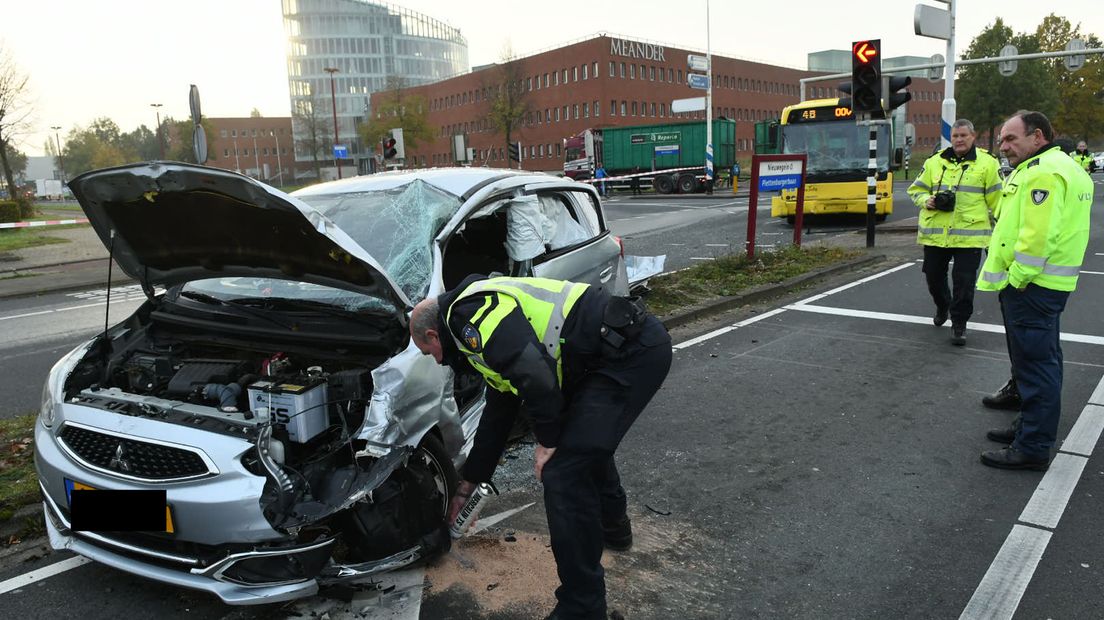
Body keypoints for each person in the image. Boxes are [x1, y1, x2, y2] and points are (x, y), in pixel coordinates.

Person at [409, 275, 673, 619]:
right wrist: (470, 481)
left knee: (563, 472)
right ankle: (615, 529)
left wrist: (547, 442)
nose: (435, 360)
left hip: (629, 354)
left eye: (429, 353)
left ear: (432, 335)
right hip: (609, 353)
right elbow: (499, 409)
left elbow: (533, 372)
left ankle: (582, 607)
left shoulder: (468, 316)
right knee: (583, 446)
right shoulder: (472, 327)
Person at [976, 110, 1093, 471]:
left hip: (1032, 287)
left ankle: (1032, 446)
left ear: (1038, 136)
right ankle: (1028, 428)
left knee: (1035, 367)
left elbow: (1037, 235)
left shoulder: (1043, 173)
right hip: (1048, 286)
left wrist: (1018, 278)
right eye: (1001, 141)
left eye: (1011, 138)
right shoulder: (1063, 166)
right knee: (1043, 362)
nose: (1004, 146)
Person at [907, 119, 1002, 346]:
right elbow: (916, 189)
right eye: (955, 136)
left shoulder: (988, 163)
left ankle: (959, 323)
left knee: (964, 283)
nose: (959, 140)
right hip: (936, 234)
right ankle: (942, 305)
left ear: (973, 136)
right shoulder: (934, 162)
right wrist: (926, 200)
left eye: (963, 136)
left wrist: (1001, 234)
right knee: (933, 278)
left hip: (970, 236)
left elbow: (998, 200)